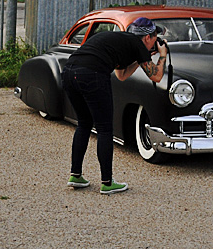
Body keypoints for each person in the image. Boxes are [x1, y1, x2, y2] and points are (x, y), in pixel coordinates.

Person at [61, 16, 168, 194]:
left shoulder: (120, 41)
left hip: (69, 73)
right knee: (104, 129)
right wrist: (162, 56)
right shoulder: (138, 44)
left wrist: (141, 58)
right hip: (93, 75)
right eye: (155, 38)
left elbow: (121, 75)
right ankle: (107, 182)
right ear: (148, 37)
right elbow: (156, 76)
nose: (155, 43)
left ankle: (76, 175)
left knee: (84, 123)